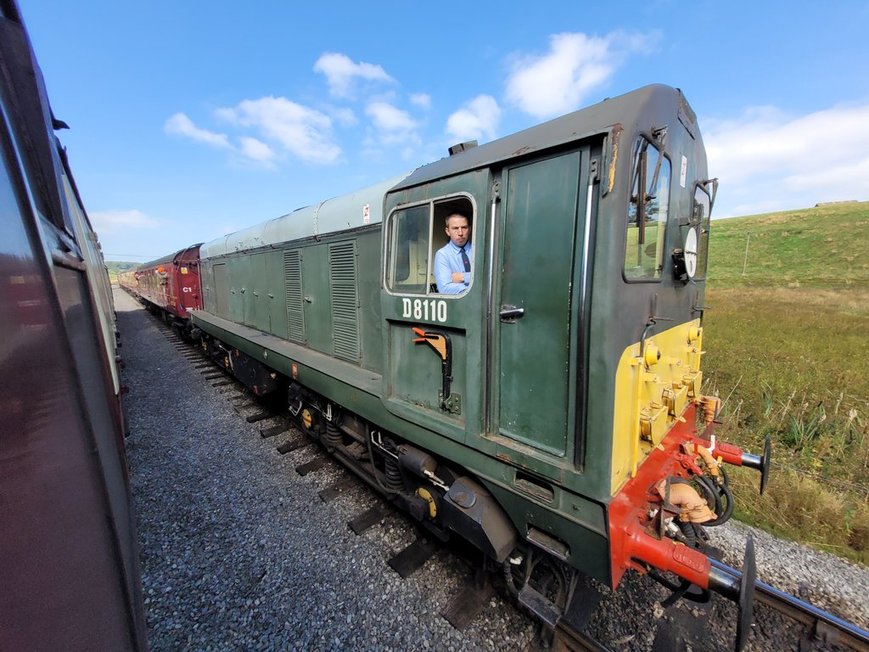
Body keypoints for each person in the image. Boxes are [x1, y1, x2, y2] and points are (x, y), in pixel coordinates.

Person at [434, 213, 472, 294]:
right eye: (455, 228)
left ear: (470, 229)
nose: (460, 233)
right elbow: (444, 289)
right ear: (448, 231)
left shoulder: (479, 251)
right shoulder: (442, 254)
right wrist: (474, 290)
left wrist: (463, 277)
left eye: (464, 227)